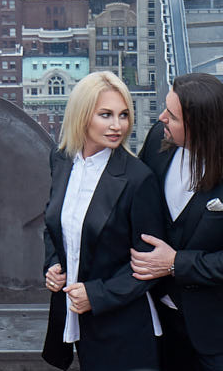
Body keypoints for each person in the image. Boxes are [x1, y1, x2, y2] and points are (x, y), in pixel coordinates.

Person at [131, 73, 223, 371]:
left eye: (171, 116)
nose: (161, 119)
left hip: (222, 328)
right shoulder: (159, 139)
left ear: (198, 126)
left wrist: (175, 263)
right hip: (159, 320)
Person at [43, 70, 167, 371]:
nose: (117, 126)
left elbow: (150, 266)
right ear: (82, 116)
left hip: (124, 334)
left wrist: (96, 296)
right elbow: (54, 224)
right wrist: (52, 265)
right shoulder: (61, 160)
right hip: (76, 324)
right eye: (106, 115)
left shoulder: (138, 179)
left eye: (123, 115)